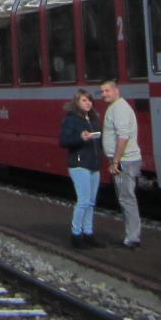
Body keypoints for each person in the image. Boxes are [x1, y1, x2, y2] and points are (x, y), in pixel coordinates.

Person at [99, 79, 142, 249]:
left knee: (126, 198)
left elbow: (123, 137)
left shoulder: (120, 109)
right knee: (125, 198)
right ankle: (131, 234)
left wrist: (115, 160)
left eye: (107, 91)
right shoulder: (116, 107)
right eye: (102, 91)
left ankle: (132, 238)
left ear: (116, 90)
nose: (104, 94)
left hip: (125, 160)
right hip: (124, 159)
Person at [59, 90, 103, 248]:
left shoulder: (93, 119)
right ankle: (76, 234)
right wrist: (80, 137)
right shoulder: (71, 120)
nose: (88, 103)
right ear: (77, 103)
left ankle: (88, 233)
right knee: (83, 201)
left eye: (89, 100)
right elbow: (63, 140)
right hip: (79, 165)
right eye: (84, 100)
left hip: (93, 165)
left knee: (91, 202)